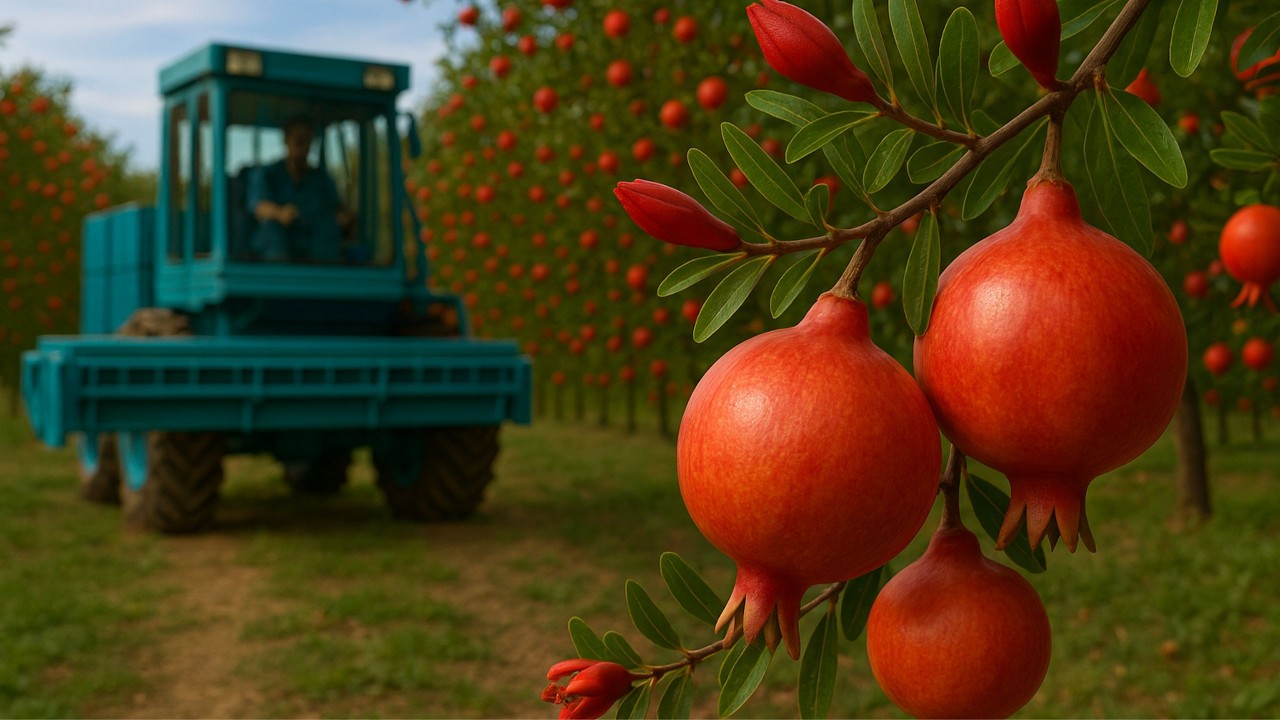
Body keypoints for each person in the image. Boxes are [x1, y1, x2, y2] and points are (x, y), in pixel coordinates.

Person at [247, 116, 348, 262]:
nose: (302, 146)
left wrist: (343, 218)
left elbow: (337, 210)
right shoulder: (268, 174)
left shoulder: (321, 179)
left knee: (328, 230)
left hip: (314, 245)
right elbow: (259, 207)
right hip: (277, 249)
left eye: (307, 140)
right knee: (272, 230)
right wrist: (280, 213)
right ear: (286, 140)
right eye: (298, 140)